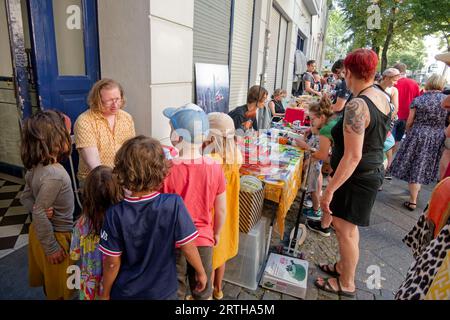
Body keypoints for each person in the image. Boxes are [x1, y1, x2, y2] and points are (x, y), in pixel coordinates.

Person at [315, 49, 392, 297]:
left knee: (344, 230)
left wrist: (329, 190)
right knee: (348, 228)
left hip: (356, 177)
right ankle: (341, 267)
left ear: (348, 72)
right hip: (367, 173)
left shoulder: (358, 104)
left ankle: (346, 282)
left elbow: (353, 155)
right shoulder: (382, 95)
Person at [98, 136, 207, 300]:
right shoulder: (174, 204)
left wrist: (105, 293)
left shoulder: (114, 214)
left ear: (122, 171)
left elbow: (112, 262)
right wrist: (201, 272)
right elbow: (188, 246)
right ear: (161, 170)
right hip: (164, 291)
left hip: (127, 293)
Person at [162, 104, 227, 300]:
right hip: (203, 238)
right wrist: (216, 232)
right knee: (203, 290)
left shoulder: (165, 169)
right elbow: (221, 210)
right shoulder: (215, 168)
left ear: (178, 138)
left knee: (176, 289)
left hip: (174, 240)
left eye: (171, 129)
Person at [20, 110, 75, 300]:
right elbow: (40, 213)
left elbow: (24, 197)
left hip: (38, 233)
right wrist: (51, 247)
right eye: (65, 133)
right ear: (55, 140)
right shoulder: (55, 174)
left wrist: (37, 209)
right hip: (56, 237)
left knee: (50, 283)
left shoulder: (35, 167)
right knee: (62, 289)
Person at [390, 74, 448, 211]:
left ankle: (413, 200)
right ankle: (416, 192)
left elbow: (409, 121)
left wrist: (410, 132)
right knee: (425, 164)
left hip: (418, 134)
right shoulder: (446, 101)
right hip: (437, 136)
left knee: (416, 165)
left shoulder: (419, 100)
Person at [203, 112, 242, 300]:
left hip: (213, 216)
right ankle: (219, 290)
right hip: (228, 214)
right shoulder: (236, 155)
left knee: (210, 259)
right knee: (222, 254)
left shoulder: (212, 161)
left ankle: (207, 293)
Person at [69, 166, 123, 300]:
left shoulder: (81, 224)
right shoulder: (122, 222)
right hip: (116, 281)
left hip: (90, 284)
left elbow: (74, 254)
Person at [74, 79, 136, 185]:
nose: (115, 105)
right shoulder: (85, 120)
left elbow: (132, 150)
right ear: (97, 100)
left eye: (117, 99)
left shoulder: (126, 117)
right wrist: (114, 185)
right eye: (109, 101)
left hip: (123, 177)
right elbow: (93, 163)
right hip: (96, 180)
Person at [295, 96, 338, 236]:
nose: (311, 122)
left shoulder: (326, 129)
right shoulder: (330, 122)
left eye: (312, 120)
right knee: (323, 189)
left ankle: (321, 217)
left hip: (338, 165)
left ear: (322, 117)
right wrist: (312, 129)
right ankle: (323, 218)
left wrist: (305, 146)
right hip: (340, 163)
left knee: (325, 192)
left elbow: (321, 155)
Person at [391, 63, 420, 153]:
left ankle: (387, 161)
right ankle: (391, 162)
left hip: (392, 115)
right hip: (407, 117)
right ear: (404, 71)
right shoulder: (414, 83)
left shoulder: (392, 83)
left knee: (388, 139)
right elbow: (417, 101)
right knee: (397, 140)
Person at [377, 68, 401, 178]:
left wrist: (386, 120)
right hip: (374, 120)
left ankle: (385, 170)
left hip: (385, 122)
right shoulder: (374, 86)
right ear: (386, 77)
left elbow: (395, 108)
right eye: (394, 80)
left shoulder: (394, 90)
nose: (395, 83)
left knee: (387, 145)